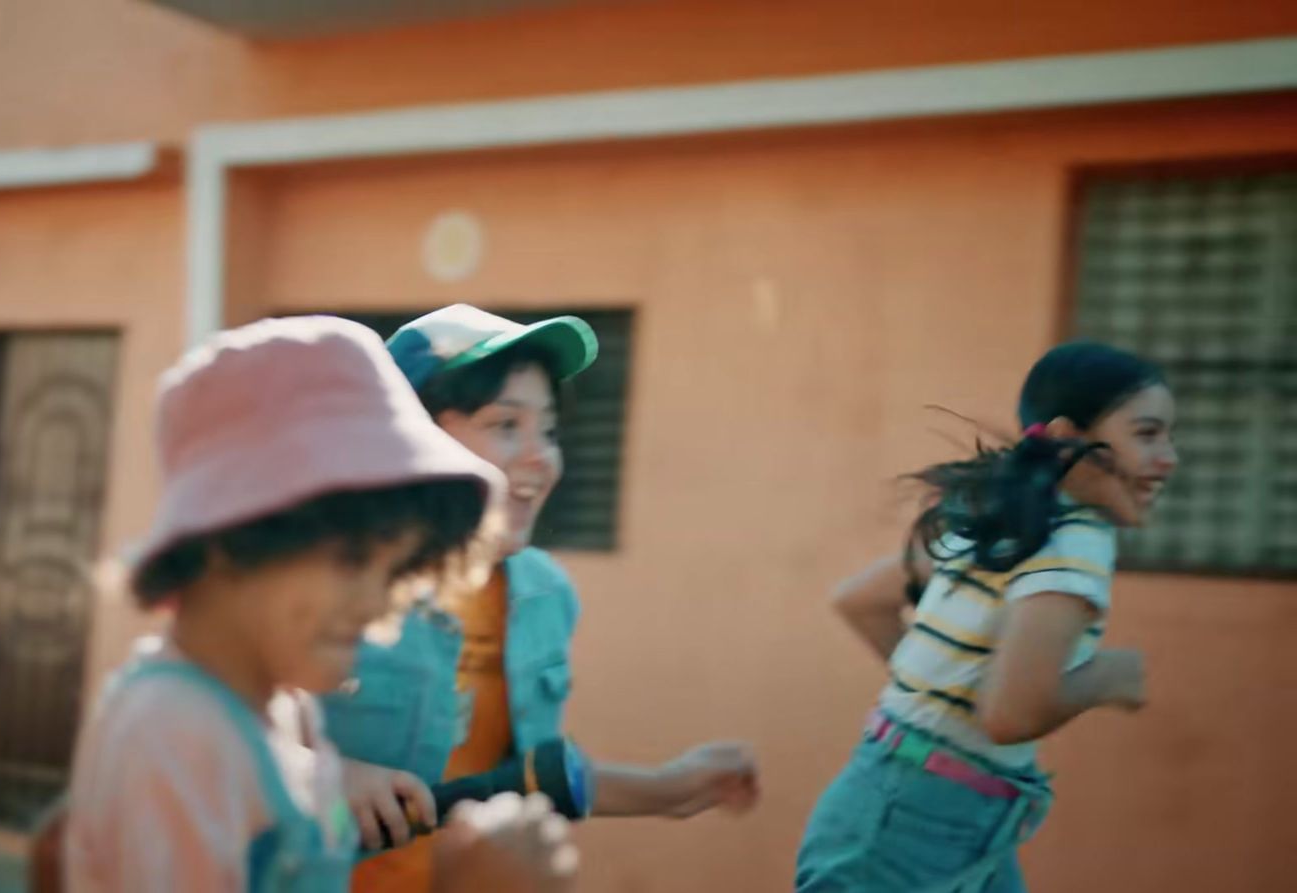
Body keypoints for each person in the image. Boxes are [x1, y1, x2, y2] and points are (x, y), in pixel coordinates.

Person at [61, 316, 578, 892]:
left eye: (397, 571)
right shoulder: (175, 732)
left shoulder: (284, 710)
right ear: (239, 537)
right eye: (353, 561)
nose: (379, 607)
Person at [336, 305, 760, 892]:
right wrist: (326, 774)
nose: (542, 456)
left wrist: (672, 787)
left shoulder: (544, 595)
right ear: (413, 438)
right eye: (506, 425)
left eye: (550, 430)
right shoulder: (326, 584)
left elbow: (524, 781)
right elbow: (211, 735)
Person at [795, 342, 1179, 892]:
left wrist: (934, 698)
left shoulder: (1006, 524)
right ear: (1070, 437)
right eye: (1147, 434)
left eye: (1168, 435)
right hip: (914, 824)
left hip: (916, 801)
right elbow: (1008, 717)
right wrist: (1105, 677)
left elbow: (862, 601)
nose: (1170, 457)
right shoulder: (1075, 542)